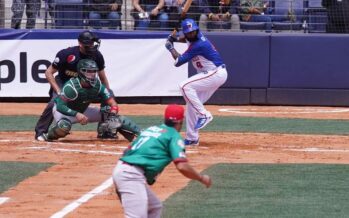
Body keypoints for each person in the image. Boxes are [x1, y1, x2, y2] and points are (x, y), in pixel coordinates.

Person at [112, 104, 212, 217]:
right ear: (181, 121)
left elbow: (127, 152)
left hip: (122, 169)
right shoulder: (173, 136)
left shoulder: (151, 129)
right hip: (131, 175)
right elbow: (182, 166)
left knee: (154, 207)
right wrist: (201, 178)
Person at [35, 30, 116, 141]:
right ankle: (41, 131)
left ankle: (105, 130)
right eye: (88, 44)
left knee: (109, 96)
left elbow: (102, 77)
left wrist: (107, 93)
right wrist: (58, 91)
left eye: (92, 44)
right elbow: (49, 73)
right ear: (80, 43)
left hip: (86, 85)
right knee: (54, 102)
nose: (91, 47)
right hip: (64, 83)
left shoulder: (97, 55)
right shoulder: (66, 54)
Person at [41, 59, 141, 142]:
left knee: (114, 116)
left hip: (83, 110)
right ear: (80, 72)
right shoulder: (71, 86)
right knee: (63, 127)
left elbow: (112, 102)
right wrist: (77, 114)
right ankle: (49, 135)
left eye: (93, 71)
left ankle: (140, 135)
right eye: (88, 71)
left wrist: (113, 111)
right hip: (65, 113)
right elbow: (60, 106)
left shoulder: (97, 85)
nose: (92, 74)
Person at [164, 18, 228, 146]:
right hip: (212, 75)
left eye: (193, 31)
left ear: (196, 30)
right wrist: (174, 39)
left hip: (215, 73)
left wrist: (170, 47)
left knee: (184, 86)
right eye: (189, 32)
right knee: (191, 104)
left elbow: (178, 62)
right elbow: (185, 38)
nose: (191, 33)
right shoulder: (191, 38)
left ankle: (204, 115)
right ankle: (192, 138)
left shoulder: (199, 44)